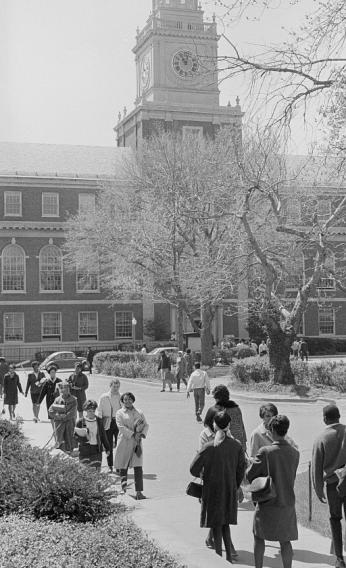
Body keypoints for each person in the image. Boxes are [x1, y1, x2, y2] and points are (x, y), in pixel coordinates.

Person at [190, 410, 246, 562]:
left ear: (214, 425)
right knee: (225, 524)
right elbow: (242, 468)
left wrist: (204, 474)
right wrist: (235, 484)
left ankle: (219, 559)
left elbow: (193, 469)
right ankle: (227, 558)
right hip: (229, 490)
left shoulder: (208, 447)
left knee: (216, 524)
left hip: (212, 490)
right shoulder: (236, 446)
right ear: (229, 426)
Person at [247, 415, 299, 568]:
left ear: (271, 431)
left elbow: (250, 475)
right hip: (287, 502)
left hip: (267, 502)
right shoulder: (295, 452)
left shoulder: (265, 452)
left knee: (258, 537)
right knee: (285, 541)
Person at [312, 404, 346, 568]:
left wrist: (319, 490)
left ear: (325, 419)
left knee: (335, 519)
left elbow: (317, 467)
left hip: (333, 485)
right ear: (339, 416)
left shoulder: (321, 438)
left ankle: (339, 559)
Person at [114, 392, 149, 500]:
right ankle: (123, 489)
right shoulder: (119, 413)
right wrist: (133, 434)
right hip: (125, 441)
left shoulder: (139, 412)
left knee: (138, 467)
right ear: (122, 401)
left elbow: (146, 424)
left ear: (133, 400)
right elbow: (121, 427)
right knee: (123, 466)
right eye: (125, 399)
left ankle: (139, 492)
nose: (127, 401)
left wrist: (142, 434)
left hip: (137, 443)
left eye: (129, 399)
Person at [205, 384, 247, 451]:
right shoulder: (236, 408)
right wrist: (244, 443)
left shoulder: (217, 411)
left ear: (217, 398)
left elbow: (207, 428)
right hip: (239, 444)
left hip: (225, 446)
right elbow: (242, 426)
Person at [74, 399, 110, 470]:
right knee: (84, 472)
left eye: (93, 411)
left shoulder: (99, 421)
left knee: (96, 472)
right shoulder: (81, 421)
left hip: (96, 449)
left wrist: (107, 448)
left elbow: (103, 435)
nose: (92, 413)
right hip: (84, 449)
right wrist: (84, 437)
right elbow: (75, 437)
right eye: (90, 411)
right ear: (85, 410)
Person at [98, 378, 122, 473]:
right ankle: (110, 465)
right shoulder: (104, 397)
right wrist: (99, 422)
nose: (116, 388)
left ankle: (118, 466)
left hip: (118, 422)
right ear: (110, 386)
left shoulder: (122, 397)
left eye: (117, 386)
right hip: (107, 422)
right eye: (114, 386)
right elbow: (99, 410)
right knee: (108, 445)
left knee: (119, 445)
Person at [48, 382, 77, 453]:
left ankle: (70, 453)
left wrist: (65, 417)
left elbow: (73, 412)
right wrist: (59, 416)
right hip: (59, 425)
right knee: (60, 442)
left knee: (69, 441)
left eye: (67, 388)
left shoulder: (73, 400)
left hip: (69, 424)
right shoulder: (57, 400)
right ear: (61, 390)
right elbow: (50, 410)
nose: (66, 390)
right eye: (64, 388)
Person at [39, 365, 62, 439]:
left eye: (54, 372)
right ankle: (55, 432)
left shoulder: (59, 381)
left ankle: (58, 434)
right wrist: (38, 402)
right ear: (49, 373)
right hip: (49, 402)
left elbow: (63, 392)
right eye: (51, 372)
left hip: (58, 403)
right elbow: (43, 392)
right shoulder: (47, 382)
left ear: (55, 372)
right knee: (52, 418)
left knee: (58, 417)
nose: (53, 373)